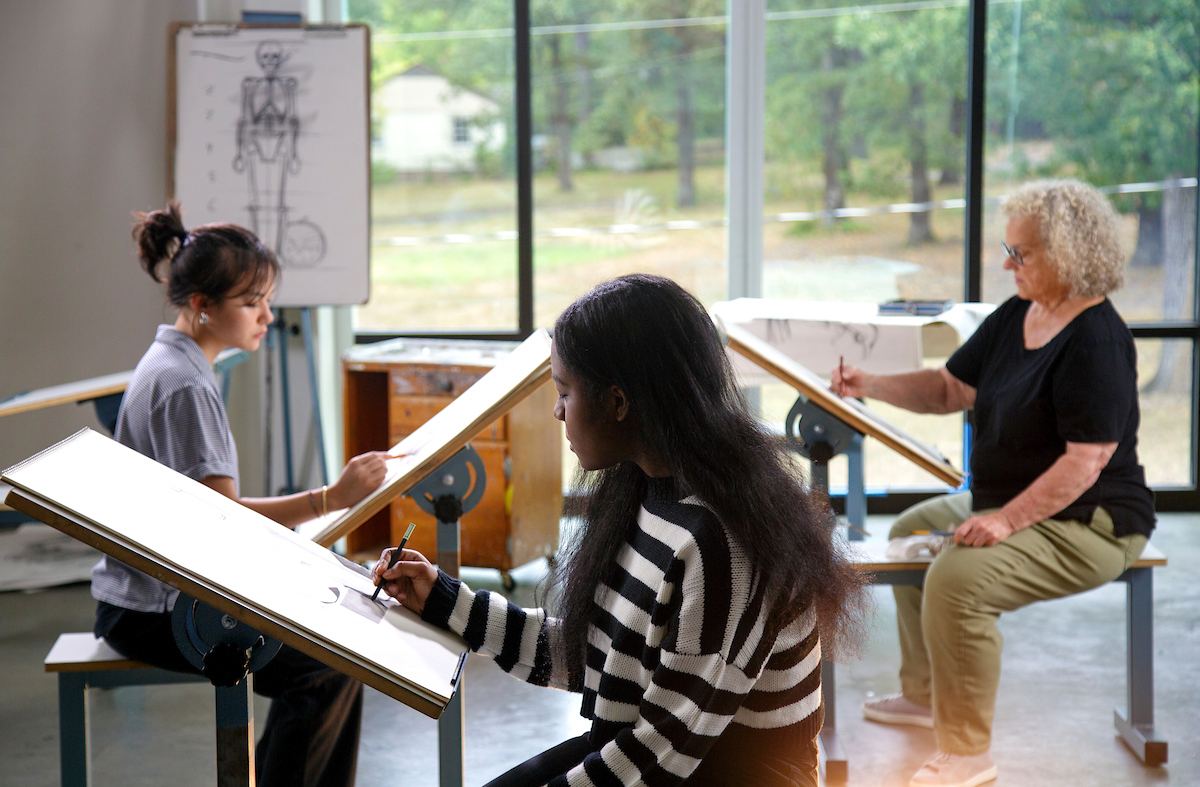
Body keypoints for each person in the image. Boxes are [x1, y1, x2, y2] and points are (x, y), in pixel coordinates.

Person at [374, 273, 864, 787]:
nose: (557, 410)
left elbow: (662, 752)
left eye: (565, 391)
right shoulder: (647, 487)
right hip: (667, 754)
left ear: (619, 403)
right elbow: (600, 653)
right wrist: (445, 601)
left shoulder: (721, 544)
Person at [832, 179, 1155, 787]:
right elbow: (949, 389)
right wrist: (869, 383)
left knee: (956, 581)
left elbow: (1087, 462)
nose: (1007, 264)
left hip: (1093, 519)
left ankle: (966, 752)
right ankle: (926, 697)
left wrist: (1005, 521)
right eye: (1008, 250)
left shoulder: (1097, 341)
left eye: (1021, 254)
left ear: (1068, 254)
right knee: (910, 530)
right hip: (1015, 497)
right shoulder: (1017, 316)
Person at [90, 201, 389, 787]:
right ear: (201, 306)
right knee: (326, 667)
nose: (268, 317)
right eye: (252, 303)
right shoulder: (182, 384)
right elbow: (222, 520)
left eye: (267, 300)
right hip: (152, 611)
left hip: (151, 596)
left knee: (335, 655)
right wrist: (334, 496)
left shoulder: (181, 366)